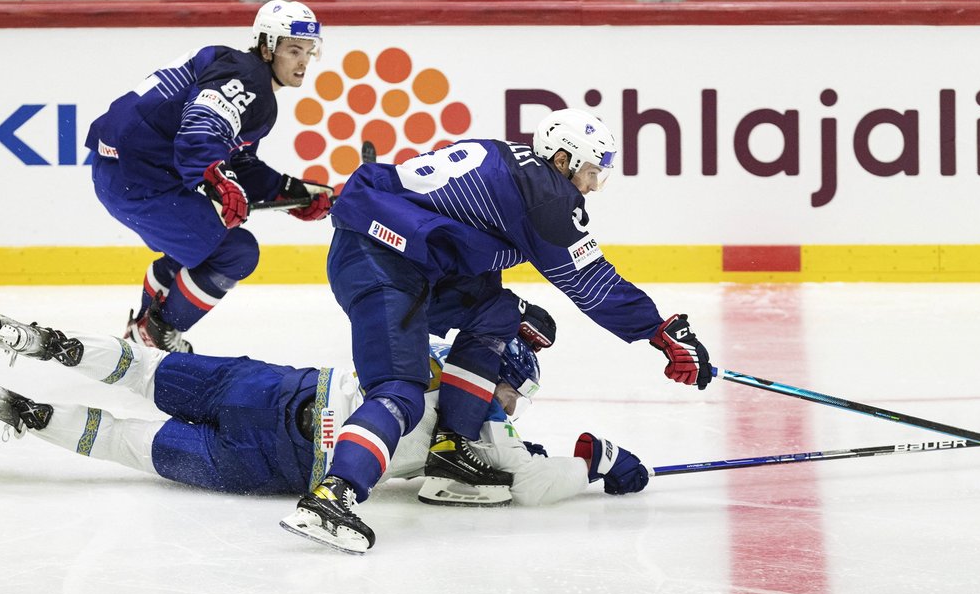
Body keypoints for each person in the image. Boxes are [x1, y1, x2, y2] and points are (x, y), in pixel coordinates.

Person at [280, 107, 712, 553]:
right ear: (561, 160)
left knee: (498, 311)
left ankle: (452, 445)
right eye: (587, 173)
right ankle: (333, 496)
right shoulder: (546, 193)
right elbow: (590, 282)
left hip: (407, 257)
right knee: (400, 390)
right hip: (384, 262)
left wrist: (516, 308)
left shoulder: (511, 162)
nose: (589, 186)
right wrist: (660, 331)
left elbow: (447, 228)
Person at [0, 309, 649, 553]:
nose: (511, 405)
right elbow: (527, 485)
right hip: (275, 464)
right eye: (513, 392)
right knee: (129, 443)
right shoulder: (485, 430)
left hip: (282, 386)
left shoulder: (430, 349)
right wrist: (599, 463)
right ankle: (25, 411)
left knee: (147, 369)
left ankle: (45, 342)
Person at [84, 0, 334, 354]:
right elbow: (201, 128)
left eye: (310, 51)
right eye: (294, 50)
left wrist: (290, 192)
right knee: (236, 252)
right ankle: (158, 334)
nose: (303, 61)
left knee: (201, 246)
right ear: (266, 47)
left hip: (126, 170)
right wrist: (217, 179)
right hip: (138, 178)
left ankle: (143, 335)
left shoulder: (240, 71)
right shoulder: (247, 79)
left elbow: (239, 162)